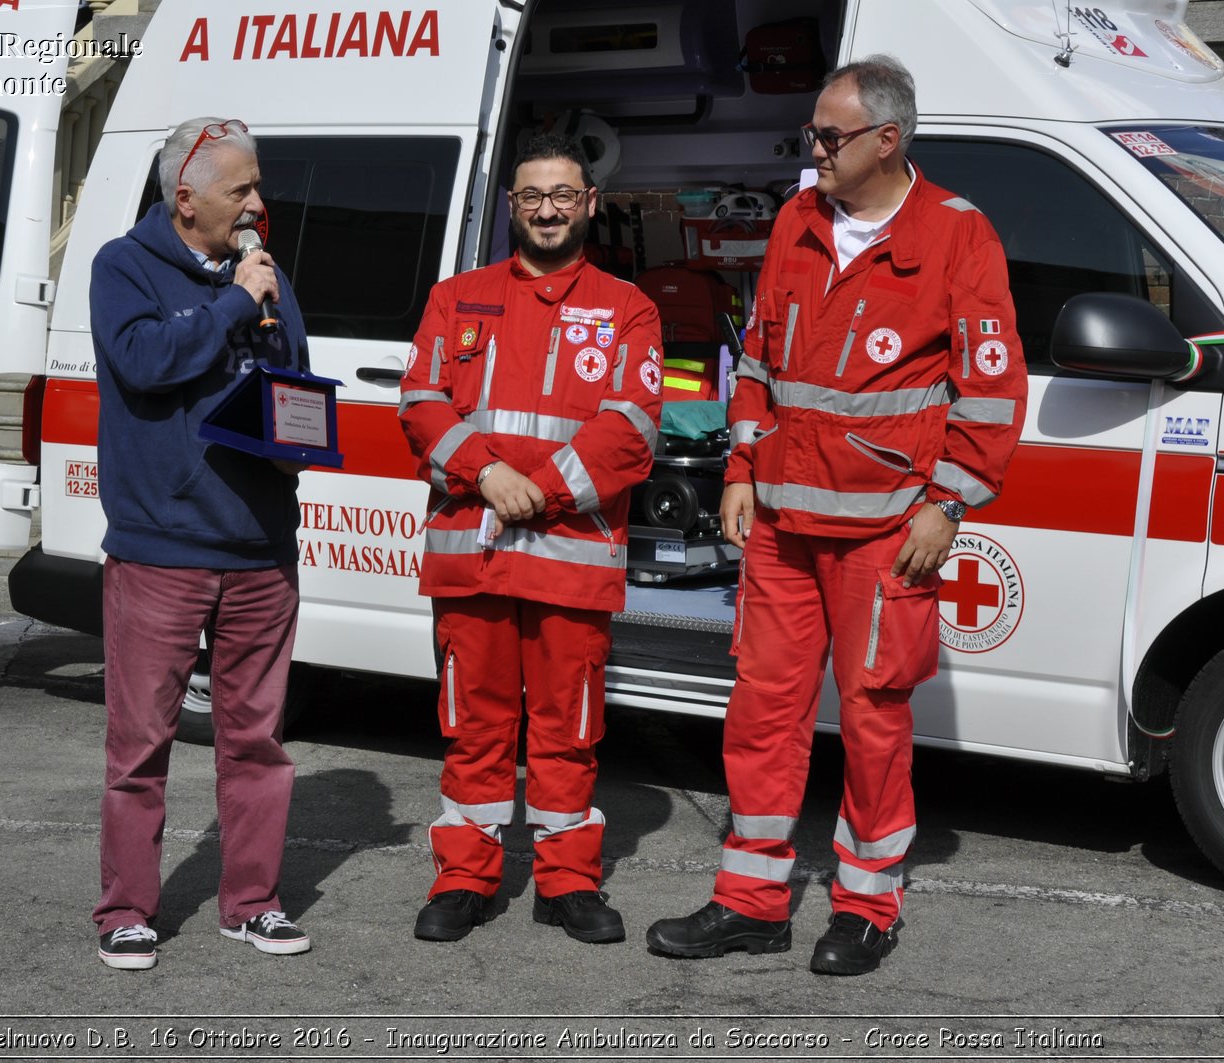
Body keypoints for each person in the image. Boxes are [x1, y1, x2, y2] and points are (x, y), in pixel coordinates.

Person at [646, 56, 1027, 975]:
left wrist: (948, 503)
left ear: (888, 140)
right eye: (813, 134)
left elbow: (991, 390)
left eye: (828, 135)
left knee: (873, 720)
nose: (811, 149)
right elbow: (763, 353)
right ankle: (749, 901)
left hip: (888, 530)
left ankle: (867, 906)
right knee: (762, 713)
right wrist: (740, 464)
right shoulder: (796, 219)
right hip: (780, 523)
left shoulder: (957, 235)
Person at [399, 134, 664, 945]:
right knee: (472, 726)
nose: (546, 209)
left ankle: (568, 881)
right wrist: (485, 474)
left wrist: (532, 489)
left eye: (561, 195)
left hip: (568, 566)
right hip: (471, 554)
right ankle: (465, 877)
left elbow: (631, 430)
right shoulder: (457, 297)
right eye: (530, 196)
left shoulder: (630, 309)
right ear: (511, 207)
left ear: (589, 204)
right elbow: (419, 402)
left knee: (568, 729)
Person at [88, 117, 312, 970]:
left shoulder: (267, 274)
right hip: (161, 546)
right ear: (186, 198)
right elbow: (145, 363)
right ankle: (126, 911)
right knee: (140, 746)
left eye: (258, 186)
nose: (259, 203)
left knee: (256, 740)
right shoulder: (123, 265)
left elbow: (294, 369)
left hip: (259, 547)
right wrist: (230, 303)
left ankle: (251, 902)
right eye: (240, 190)